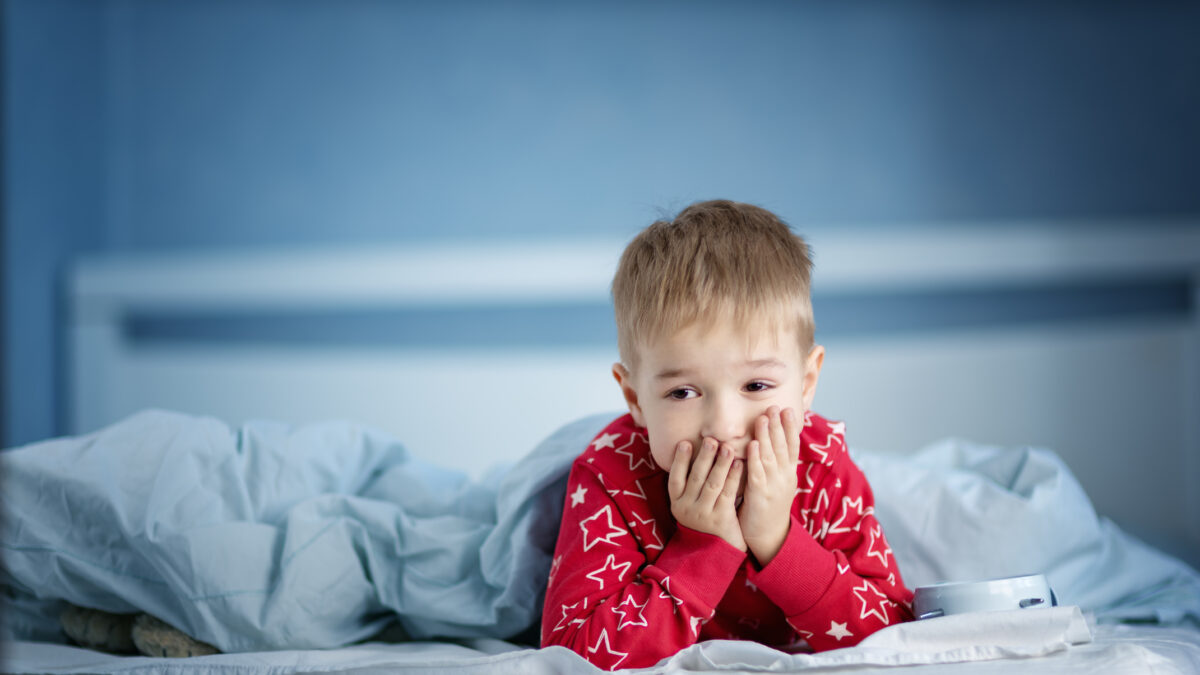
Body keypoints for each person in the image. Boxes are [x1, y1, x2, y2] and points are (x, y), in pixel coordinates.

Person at [540, 200, 913, 669]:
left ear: (806, 383)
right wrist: (704, 549)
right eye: (683, 392)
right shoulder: (609, 478)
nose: (724, 425)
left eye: (756, 386)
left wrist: (779, 539)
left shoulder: (822, 467)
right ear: (635, 399)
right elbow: (572, 656)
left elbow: (894, 636)